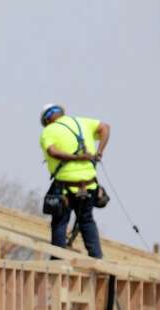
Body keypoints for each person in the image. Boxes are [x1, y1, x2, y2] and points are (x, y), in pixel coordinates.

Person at [39, 104, 109, 258]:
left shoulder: (48, 131)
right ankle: (97, 259)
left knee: (60, 221)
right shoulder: (82, 122)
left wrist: (76, 158)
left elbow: (52, 151)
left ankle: (58, 261)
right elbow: (105, 128)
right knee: (86, 220)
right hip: (89, 185)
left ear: (47, 120)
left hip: (65, 186)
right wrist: (99, 152)